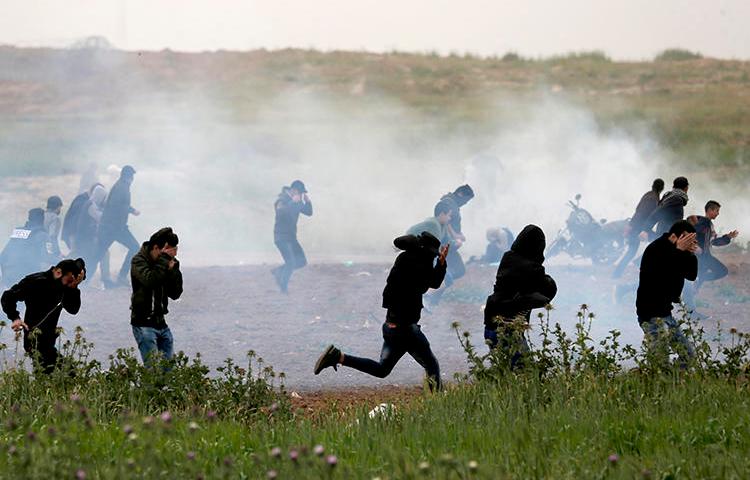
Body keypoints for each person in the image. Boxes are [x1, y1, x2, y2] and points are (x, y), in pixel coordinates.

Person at [314, 232, 449, 390]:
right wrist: (441, 264)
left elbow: (427, 282)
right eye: (432, 255)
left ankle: (338, 357)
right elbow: (432, 283)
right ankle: (437, 402)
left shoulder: (404, 259)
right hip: (407, 330)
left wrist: (440, 263)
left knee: (382, 369)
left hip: (391, 326)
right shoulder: (418, 264)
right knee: (432, 365)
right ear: (425, 252)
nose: (433, 257)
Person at [483, 225, 557, 369]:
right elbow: (544, 292)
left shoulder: (508, 257)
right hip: (509, 328)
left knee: (503, 371)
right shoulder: (532, 269)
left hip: (491, 324)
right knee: (525, 372)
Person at [1, 258, 85, 373]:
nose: (69, 284)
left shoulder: (65, 288)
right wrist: (15, 318)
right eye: (69, 280)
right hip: (34, 340)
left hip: (49, 341)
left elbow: (73, 309)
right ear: (58, 272)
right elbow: (8, 296)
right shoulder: (36, 281)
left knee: (53, 375)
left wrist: (74, 288)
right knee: (67, 374)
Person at [636, 220, 699, 367]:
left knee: (688, 355)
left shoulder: (680, 251)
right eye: (686, 239)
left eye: (691, 240)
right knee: (660, 360)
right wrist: (678, 251)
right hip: (650, 311)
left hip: (665, 311)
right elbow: (660, 274)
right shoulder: (656, 249)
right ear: (673, 236)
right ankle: (657, 384)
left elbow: (691, 275)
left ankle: (673, 382)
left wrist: (689, 254)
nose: (689, 242)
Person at [130, 227, 183, 366]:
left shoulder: (168, 262)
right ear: (155, 248)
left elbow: (175, 293)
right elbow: (150, 281)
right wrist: (165, 260)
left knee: (168, 369)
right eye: (164, 253)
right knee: (153, 371)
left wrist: (173, 271)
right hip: (143, 323)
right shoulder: (138, 261)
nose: (167, 258)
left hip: (161, 323)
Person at [682, 201, 739, 313]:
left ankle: (698, 282)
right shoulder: (703, 222)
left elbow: (714, 242)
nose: (718, 213)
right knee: (719, 271)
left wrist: (728, 237)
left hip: (706, 257)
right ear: (710, 210)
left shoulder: (709, 225)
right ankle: (690, 311)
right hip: (700, 257)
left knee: (720, 271)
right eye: (717, 210)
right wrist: (695, 246)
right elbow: (688, 232)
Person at [426, 185, 474, 306]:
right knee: (456, 270)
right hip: (445, 243)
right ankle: (429, 294)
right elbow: (445, 221)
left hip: (448, 242)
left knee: (455, 271)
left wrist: (458, 234)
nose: (465, 203)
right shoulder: (448, 203)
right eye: (466, 200)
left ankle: (432, 296)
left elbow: (450, 223)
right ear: (461, 194)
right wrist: (456, 236)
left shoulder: (451, 202)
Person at [95, 165, 141, 288]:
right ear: (128, 176)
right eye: (132, 176)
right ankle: (120, 276)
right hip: (114, 227)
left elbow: (122, 205)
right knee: (134, 247)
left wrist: (131, 210)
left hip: (114, 227)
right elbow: (118, 207)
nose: (132, 178)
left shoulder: (122, 186)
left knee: (99, 253)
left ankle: (84, 278)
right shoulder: (122, 187)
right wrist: (131, 211)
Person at [612, 178, 665, 278]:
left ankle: (620, 272)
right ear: (661, 188)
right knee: (655, 244)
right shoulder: (652, 198)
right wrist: (631, 226)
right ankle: (620, 272)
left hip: (640, 227)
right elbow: (640, 213)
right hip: (639, 228)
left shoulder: (650, 195)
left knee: (635, 250)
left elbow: (639, 211)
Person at [272, 180, 313, 293]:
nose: (301, 195)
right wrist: (293, 203)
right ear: (294, 191)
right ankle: (283, 289)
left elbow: (309, 212)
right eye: (301, 193)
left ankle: (278, 271)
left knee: (301, 261)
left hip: (291, 237)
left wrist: (307, 202)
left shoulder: (297, 202)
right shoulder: (282, 200)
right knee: (290, 263)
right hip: (281, 237)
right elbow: (281, 213)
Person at [0, 208, 55, 287]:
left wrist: (5, 274)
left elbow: (3, 256)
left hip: (9, 275)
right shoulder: (43, 235)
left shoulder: (18, 232)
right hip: (27, 277)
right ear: (42, 219)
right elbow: (47, 257)